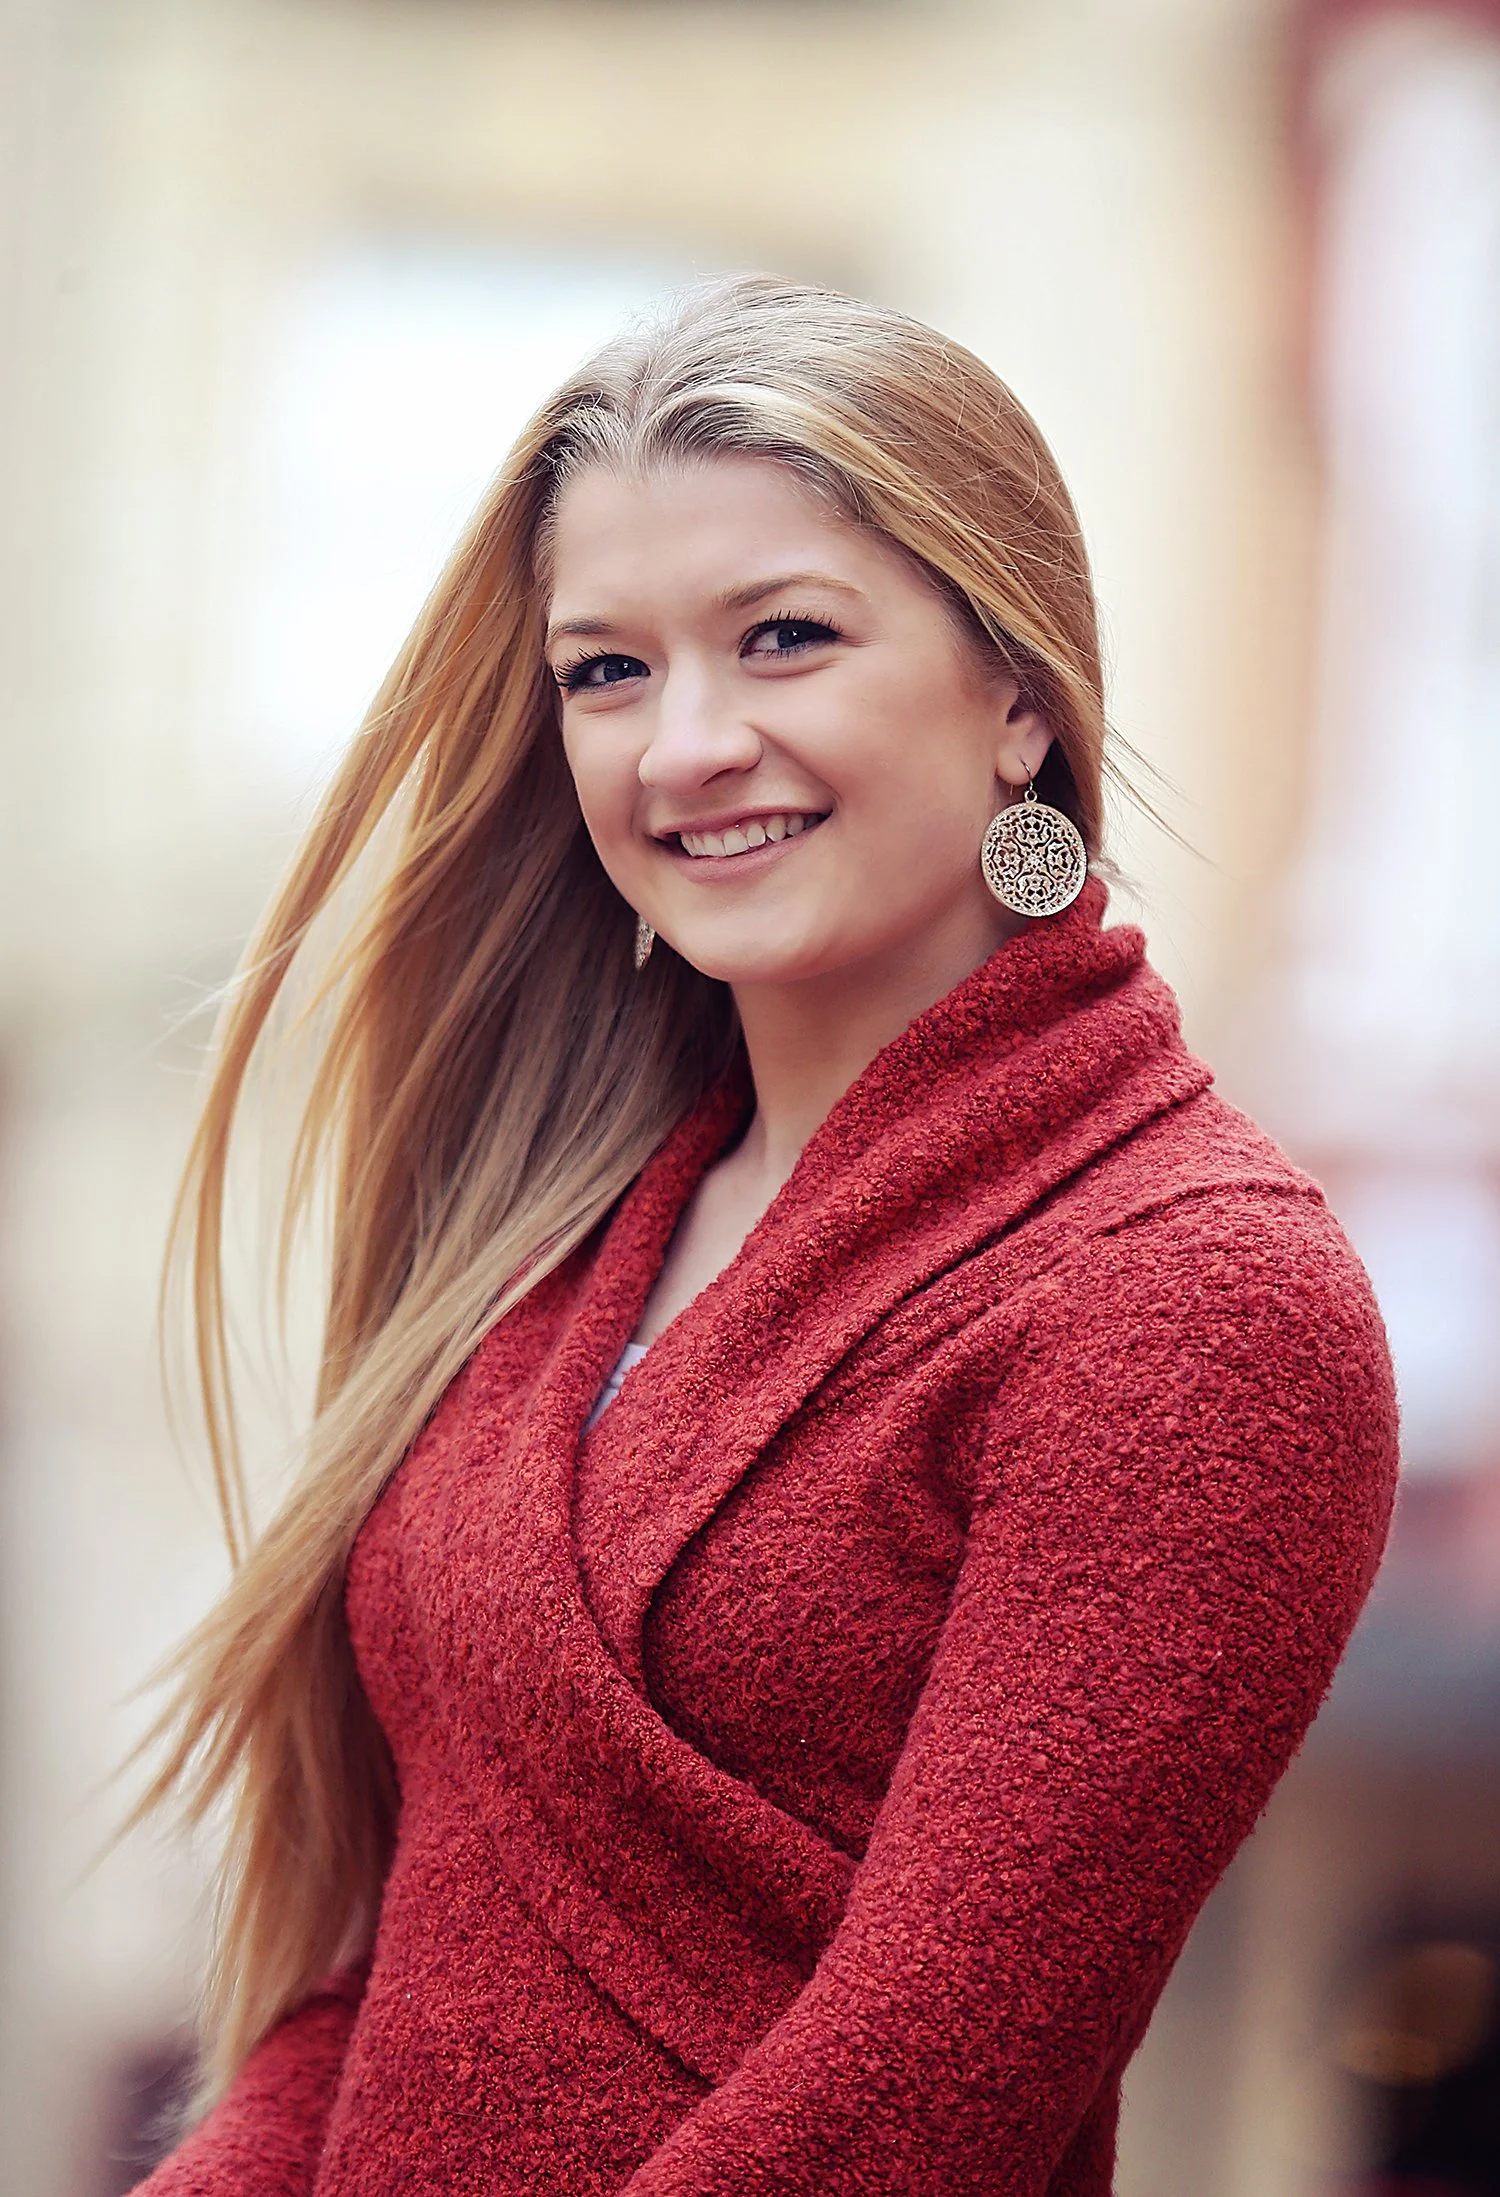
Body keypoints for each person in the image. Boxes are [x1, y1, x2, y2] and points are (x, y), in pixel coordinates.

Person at [130, 275, 1398, 2196]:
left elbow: (919, 2101)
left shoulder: (1196, 1300)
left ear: (1020, 705)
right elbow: (386, 1969)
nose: (682, 747)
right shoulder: (558, 1236)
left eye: (783, 639)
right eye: (605, 671)